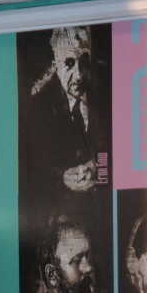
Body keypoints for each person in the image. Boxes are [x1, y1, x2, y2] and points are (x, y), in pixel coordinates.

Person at [21, 26, 109, 197]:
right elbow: (33, 167)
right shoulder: (39, 108)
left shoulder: (108, 87)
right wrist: (62, 178)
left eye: (84, 61)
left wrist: (99, 165)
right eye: (69, 64)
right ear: (56, 64)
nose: (78, 75)